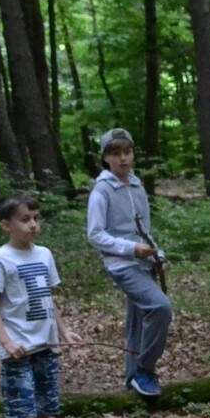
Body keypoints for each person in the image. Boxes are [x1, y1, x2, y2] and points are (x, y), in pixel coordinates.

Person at [0, 194, 84, 418]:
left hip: (46, 345)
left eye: (36, 219)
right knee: (20, 409)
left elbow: (48, 297)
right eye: (25, 220)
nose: (33, 226)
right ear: (6, 225)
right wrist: (7, 342)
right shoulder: (0, 259)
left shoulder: (44, 255)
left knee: (44, 405)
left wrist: (64, 332)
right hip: (18, 348)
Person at [87, 127, 171, 397]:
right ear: (106, 158)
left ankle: (132, 382)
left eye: (127, 152)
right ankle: (145, 370)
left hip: (144, 262)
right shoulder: (101, 191)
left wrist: (158, 255)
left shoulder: (137, 186)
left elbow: (144, 229)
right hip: (121, 264)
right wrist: (132, 249)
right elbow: (95, 234)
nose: (123, 158)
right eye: (116, 153)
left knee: (137, 322)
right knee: (160, 307)